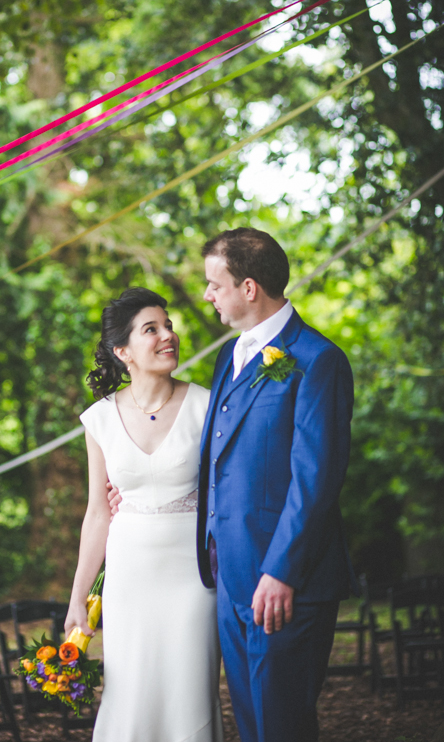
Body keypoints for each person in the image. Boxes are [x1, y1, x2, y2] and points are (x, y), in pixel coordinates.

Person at [197, 227, 356, 742]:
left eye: (213, 284)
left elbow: (316, 478)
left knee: (282, 728)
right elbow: (221, 459)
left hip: (284, 583)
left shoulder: (317, 360)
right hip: (230, 577)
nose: (207, 295)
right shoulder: (229, 356)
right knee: (251, 727)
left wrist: (282, 571)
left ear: (248, 288)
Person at [64, 287, 223, 742]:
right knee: (129, 695)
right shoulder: (100, 419)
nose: (167, 335)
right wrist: (78, 598)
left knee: (188, 696)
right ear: (123, 351)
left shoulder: (206, 405)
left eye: (168, 325)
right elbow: (98, 514)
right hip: (128, 581)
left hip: (193, 576)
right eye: (151, 329)